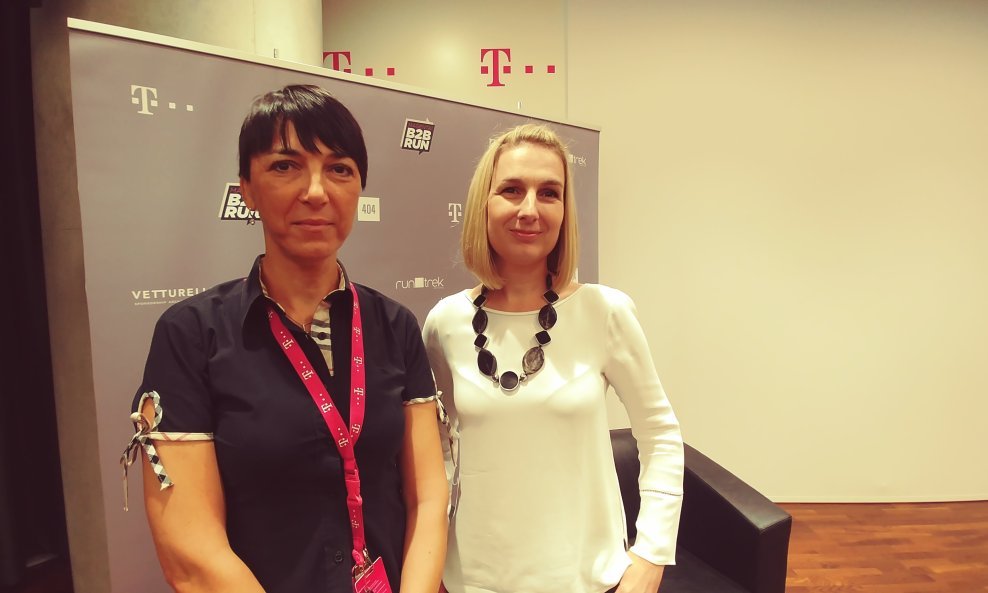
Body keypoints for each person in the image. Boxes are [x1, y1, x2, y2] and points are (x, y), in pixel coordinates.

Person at [121, 84, 447, 593]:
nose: (316, 191)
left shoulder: (395, 326)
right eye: (285, 166)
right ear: (246, 190)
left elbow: (427, 497)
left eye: (339, 169)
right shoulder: (192, 335)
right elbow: (190, 550)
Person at [422, 123, 684, 593]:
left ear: (564, 210)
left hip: (586, 578)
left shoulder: (604, 311)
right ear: (484, 203)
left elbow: (660, 434)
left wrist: (652, 553)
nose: (529, 209)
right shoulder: (445, 322)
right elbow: (437, 448)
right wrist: (434, 547)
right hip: (472, 578)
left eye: (549, 193)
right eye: (511, 190)